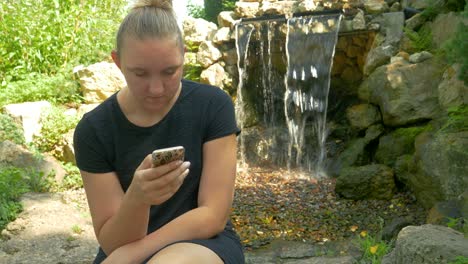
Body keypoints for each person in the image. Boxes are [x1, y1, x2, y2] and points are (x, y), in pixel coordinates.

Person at [73, 0, 245, 263]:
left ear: (184, 56)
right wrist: (137, 199)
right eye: (140, 73)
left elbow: (213, 215)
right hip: (122, 247)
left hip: (203, 242)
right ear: (117, 62)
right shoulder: (94, 130)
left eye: (169, 71)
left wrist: (135, 253)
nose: (156, 89)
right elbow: (112, 242)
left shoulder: (212, 105)